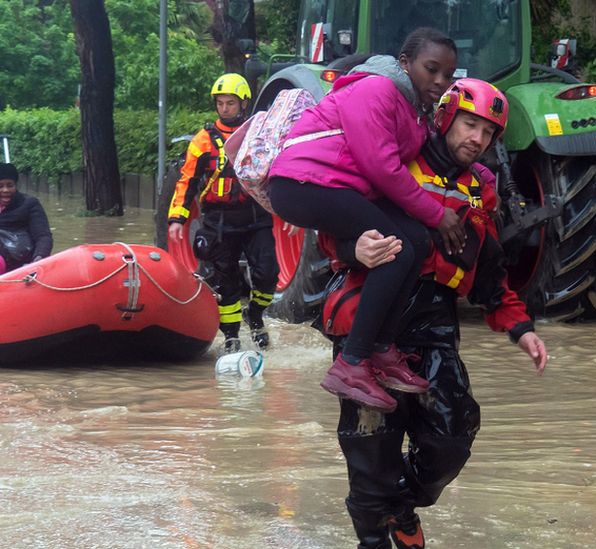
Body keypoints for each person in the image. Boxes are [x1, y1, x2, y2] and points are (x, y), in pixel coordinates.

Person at [322, 79, 548, 549]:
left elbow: (489, 272)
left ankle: (401, 507)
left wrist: (519, 327)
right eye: (470, 125)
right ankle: (374, 537)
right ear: (445, 116)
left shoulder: (481, 190)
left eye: (488, 134)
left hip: (434, 323)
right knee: (370, 451)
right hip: (371, 317)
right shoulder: (393, 163)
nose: (477, 140)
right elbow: (331, 229)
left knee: (452, 437)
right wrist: (353, 246)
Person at [267, 27, 466, 413]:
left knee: (417, 243)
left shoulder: (414, 109)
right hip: (303, 183)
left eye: (448, 75)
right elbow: (383, 168)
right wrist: (438, 214)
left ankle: (380, 348)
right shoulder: (375, 90)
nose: (441, 82)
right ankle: (352, 362)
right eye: (432, 70)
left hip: (339, 186)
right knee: (397, 248)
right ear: (405, 64)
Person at [168, 73, 279, 353]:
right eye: (220, 103)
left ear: (243, 104)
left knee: (268, 273)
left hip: (255, 217)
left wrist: (291, 212)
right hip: (219, 221)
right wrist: (177, 219)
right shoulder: (203, 141)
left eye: (230, 103)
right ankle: (231, 337)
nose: (225, 108)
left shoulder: (257, 133)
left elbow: (276, 172)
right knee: (225, 281)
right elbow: (187, 181)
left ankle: (254, 315)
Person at [0, 163, 53, 273]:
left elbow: (43, 236)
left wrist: (39, 258)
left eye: (10, 185)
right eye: (0, 186)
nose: (5, 190)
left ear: (16, 185)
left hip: (18, 260)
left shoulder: (29, 204)